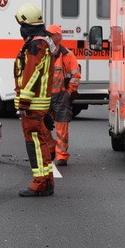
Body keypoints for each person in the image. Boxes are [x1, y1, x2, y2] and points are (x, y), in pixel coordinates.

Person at [13, 3, 57, 197]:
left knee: (35, 144)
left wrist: (24, 102)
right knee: (41, 143)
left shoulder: (36, 44)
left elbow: (32, 73)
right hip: (39, 103)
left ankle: (40, 183)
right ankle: (46, 181)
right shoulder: (42, 41)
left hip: (33, 105)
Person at [46, 24, 80, 167]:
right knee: (43, 126)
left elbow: (75, 75)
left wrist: (68, 92)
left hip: (61, 96)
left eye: (51, 34)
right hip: (45, 96)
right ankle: (51, 149)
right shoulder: (43, 52)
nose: (48, 37)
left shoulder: (67, 55)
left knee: (62, 128)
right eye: (47, 34)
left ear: (58, 36)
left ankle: (61, 156)